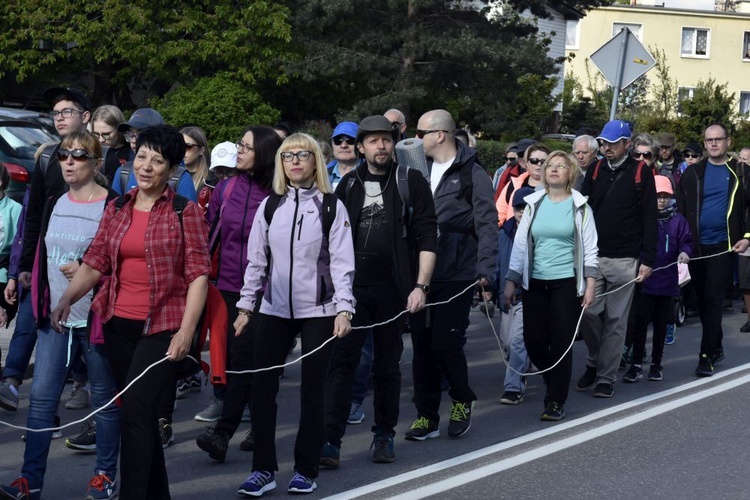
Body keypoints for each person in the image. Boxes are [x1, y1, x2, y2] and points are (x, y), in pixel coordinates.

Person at [50, 125, 210, 499]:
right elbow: (95, 262)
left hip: (163, 326)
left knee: (136, 410)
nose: (147, 166)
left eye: (158, 160)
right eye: (142, 157)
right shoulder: (118, 207)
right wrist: (66, 299)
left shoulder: (184, 211)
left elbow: (199, 275)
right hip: (118, 324)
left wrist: (187, 333)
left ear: (172, 169)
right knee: (141, 418)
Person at [0, 131, 121, 500]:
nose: (69, 161)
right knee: (40, 400)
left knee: (104, 399)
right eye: (63, 155)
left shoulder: (114, 205)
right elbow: (40, 245)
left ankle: (104, 476)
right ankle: (29, 482)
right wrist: (25, 276)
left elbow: (122, 258)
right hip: (54, 317)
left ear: (97, 163)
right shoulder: (54, 200)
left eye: (79, 155)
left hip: (96, 318)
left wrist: (86, 266)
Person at [233, 133, 355, 497]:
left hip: (320, 310)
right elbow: (257, 261)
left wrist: (344, 308)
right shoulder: (270, 207)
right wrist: (245, 306)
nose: (295, 161)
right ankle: (263, 470)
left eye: (303, 155)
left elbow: (342, 262)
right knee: (262, 387)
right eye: (288, 156)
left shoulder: (332, 206)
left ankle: (306, 468)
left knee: (312, 391)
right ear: (281, 164)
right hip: (273, 309)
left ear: (315, 161)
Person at [321, 115, 437, 467]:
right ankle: (330, 439)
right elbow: (331, 241)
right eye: (372, 141)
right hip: (352, 291)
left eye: (385, 139)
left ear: (394, 142)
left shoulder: (410, 180)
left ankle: (384, 433)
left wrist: (420, 286)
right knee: (341, 364)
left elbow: (428, 236)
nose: (381, 146)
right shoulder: (348, 185)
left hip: (394, 290)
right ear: (360, 147)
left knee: (387, 366)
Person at [406, 109, 497, 440]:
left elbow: (487, 223)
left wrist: (486, 268)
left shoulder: (473, 173)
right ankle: (426, 415)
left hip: (457, 271)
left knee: (446, 341)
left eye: (420, 133)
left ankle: (461, 399)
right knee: (422, 345)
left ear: (440, 134)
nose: (416, 140)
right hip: (420, 272)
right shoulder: (417, 169)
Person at [195, 126, 282, 459]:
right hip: (228, 288)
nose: (239, 152)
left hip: (267, 292)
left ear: (262, 153)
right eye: (238, 145)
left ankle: (222, 434)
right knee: (239, 362)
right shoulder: (226, 188)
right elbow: (209, 235)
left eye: (246, 147)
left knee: (250, 361)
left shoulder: (280, 194)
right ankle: (259, 428)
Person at [504, 151, 598, 420]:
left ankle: (556, 400)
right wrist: (511, 281)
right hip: (534, 282)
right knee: (533, 341)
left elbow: (590, 248)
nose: (554, 170)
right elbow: (521, 245)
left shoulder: (580, 207)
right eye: (550, 166)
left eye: (561, 166)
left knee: (561, 343)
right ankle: (554, 379)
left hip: (566, 283)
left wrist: (590, 284)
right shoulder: (534, 203)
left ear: (571, 173)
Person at [577, 119, 657, 399]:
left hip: (626, 259)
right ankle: (595, 359)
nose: (606, 147)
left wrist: (648, 258)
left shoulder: (640, 172)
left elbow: (650, 215)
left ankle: (606, 377)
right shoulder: (596, 169)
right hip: (594, 255)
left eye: (612, 142)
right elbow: (582, 208)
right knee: (588, 311)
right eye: (603, 142)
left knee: (615, 320)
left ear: (627, 144)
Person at [676, 123, 750, 376]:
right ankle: (716, 346)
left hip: (725, 246)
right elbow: (681, 210)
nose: (714, 144)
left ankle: (705, 355)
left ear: (728, 141)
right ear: (705, 143)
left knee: (713, 299)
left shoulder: (741, 171)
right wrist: (682, 244)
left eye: (719, 139)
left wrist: (748, 237)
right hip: (696, 247)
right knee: (703, 301)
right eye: (709, 140)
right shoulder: (692, 173)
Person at [623, 175, 692, 383]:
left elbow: (687, 241)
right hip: (644, 278)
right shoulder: (643, 218)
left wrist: (685, 252)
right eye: (657, 196)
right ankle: (635, 364)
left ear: (671, 197)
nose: (661, 200)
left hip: (667, 279)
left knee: (661, 324)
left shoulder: (678, 220)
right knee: (640, 322)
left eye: (665, 196)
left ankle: (656, 364)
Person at [496, 187, 533, 406]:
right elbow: (497, 262)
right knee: (507, 342)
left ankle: (513, 387)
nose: (521, 211)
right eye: (518, 207)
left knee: (518, 341)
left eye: (525, 208)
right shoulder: (504, 232)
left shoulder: (536, 232)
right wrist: (490, 286)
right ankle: (521, 369)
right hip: (506, 296)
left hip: (527, 294)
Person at [112, 108, 197, 201]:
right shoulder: (123, 173)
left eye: (140, 134)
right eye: (130, 134)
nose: (133, 140)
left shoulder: (181, 178)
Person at [495, 143, 549, 226]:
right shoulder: (513, 184)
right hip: (514, 234)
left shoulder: (555, 187)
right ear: (526, 163)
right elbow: (500, 212)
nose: (539, 164)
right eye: (534, 160)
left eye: (543, 161)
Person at [91, 105, 132, 184]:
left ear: (119, 129)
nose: (101, 140)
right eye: (96, 134)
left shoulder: (133, 151)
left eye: (106, 134)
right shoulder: (90, 152)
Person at [327, 122, 360, 189]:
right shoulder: (322, 175)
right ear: (332, 144)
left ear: (360, 145)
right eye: (338, 140)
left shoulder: (371, 173)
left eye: (350, 140)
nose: (343, 145)